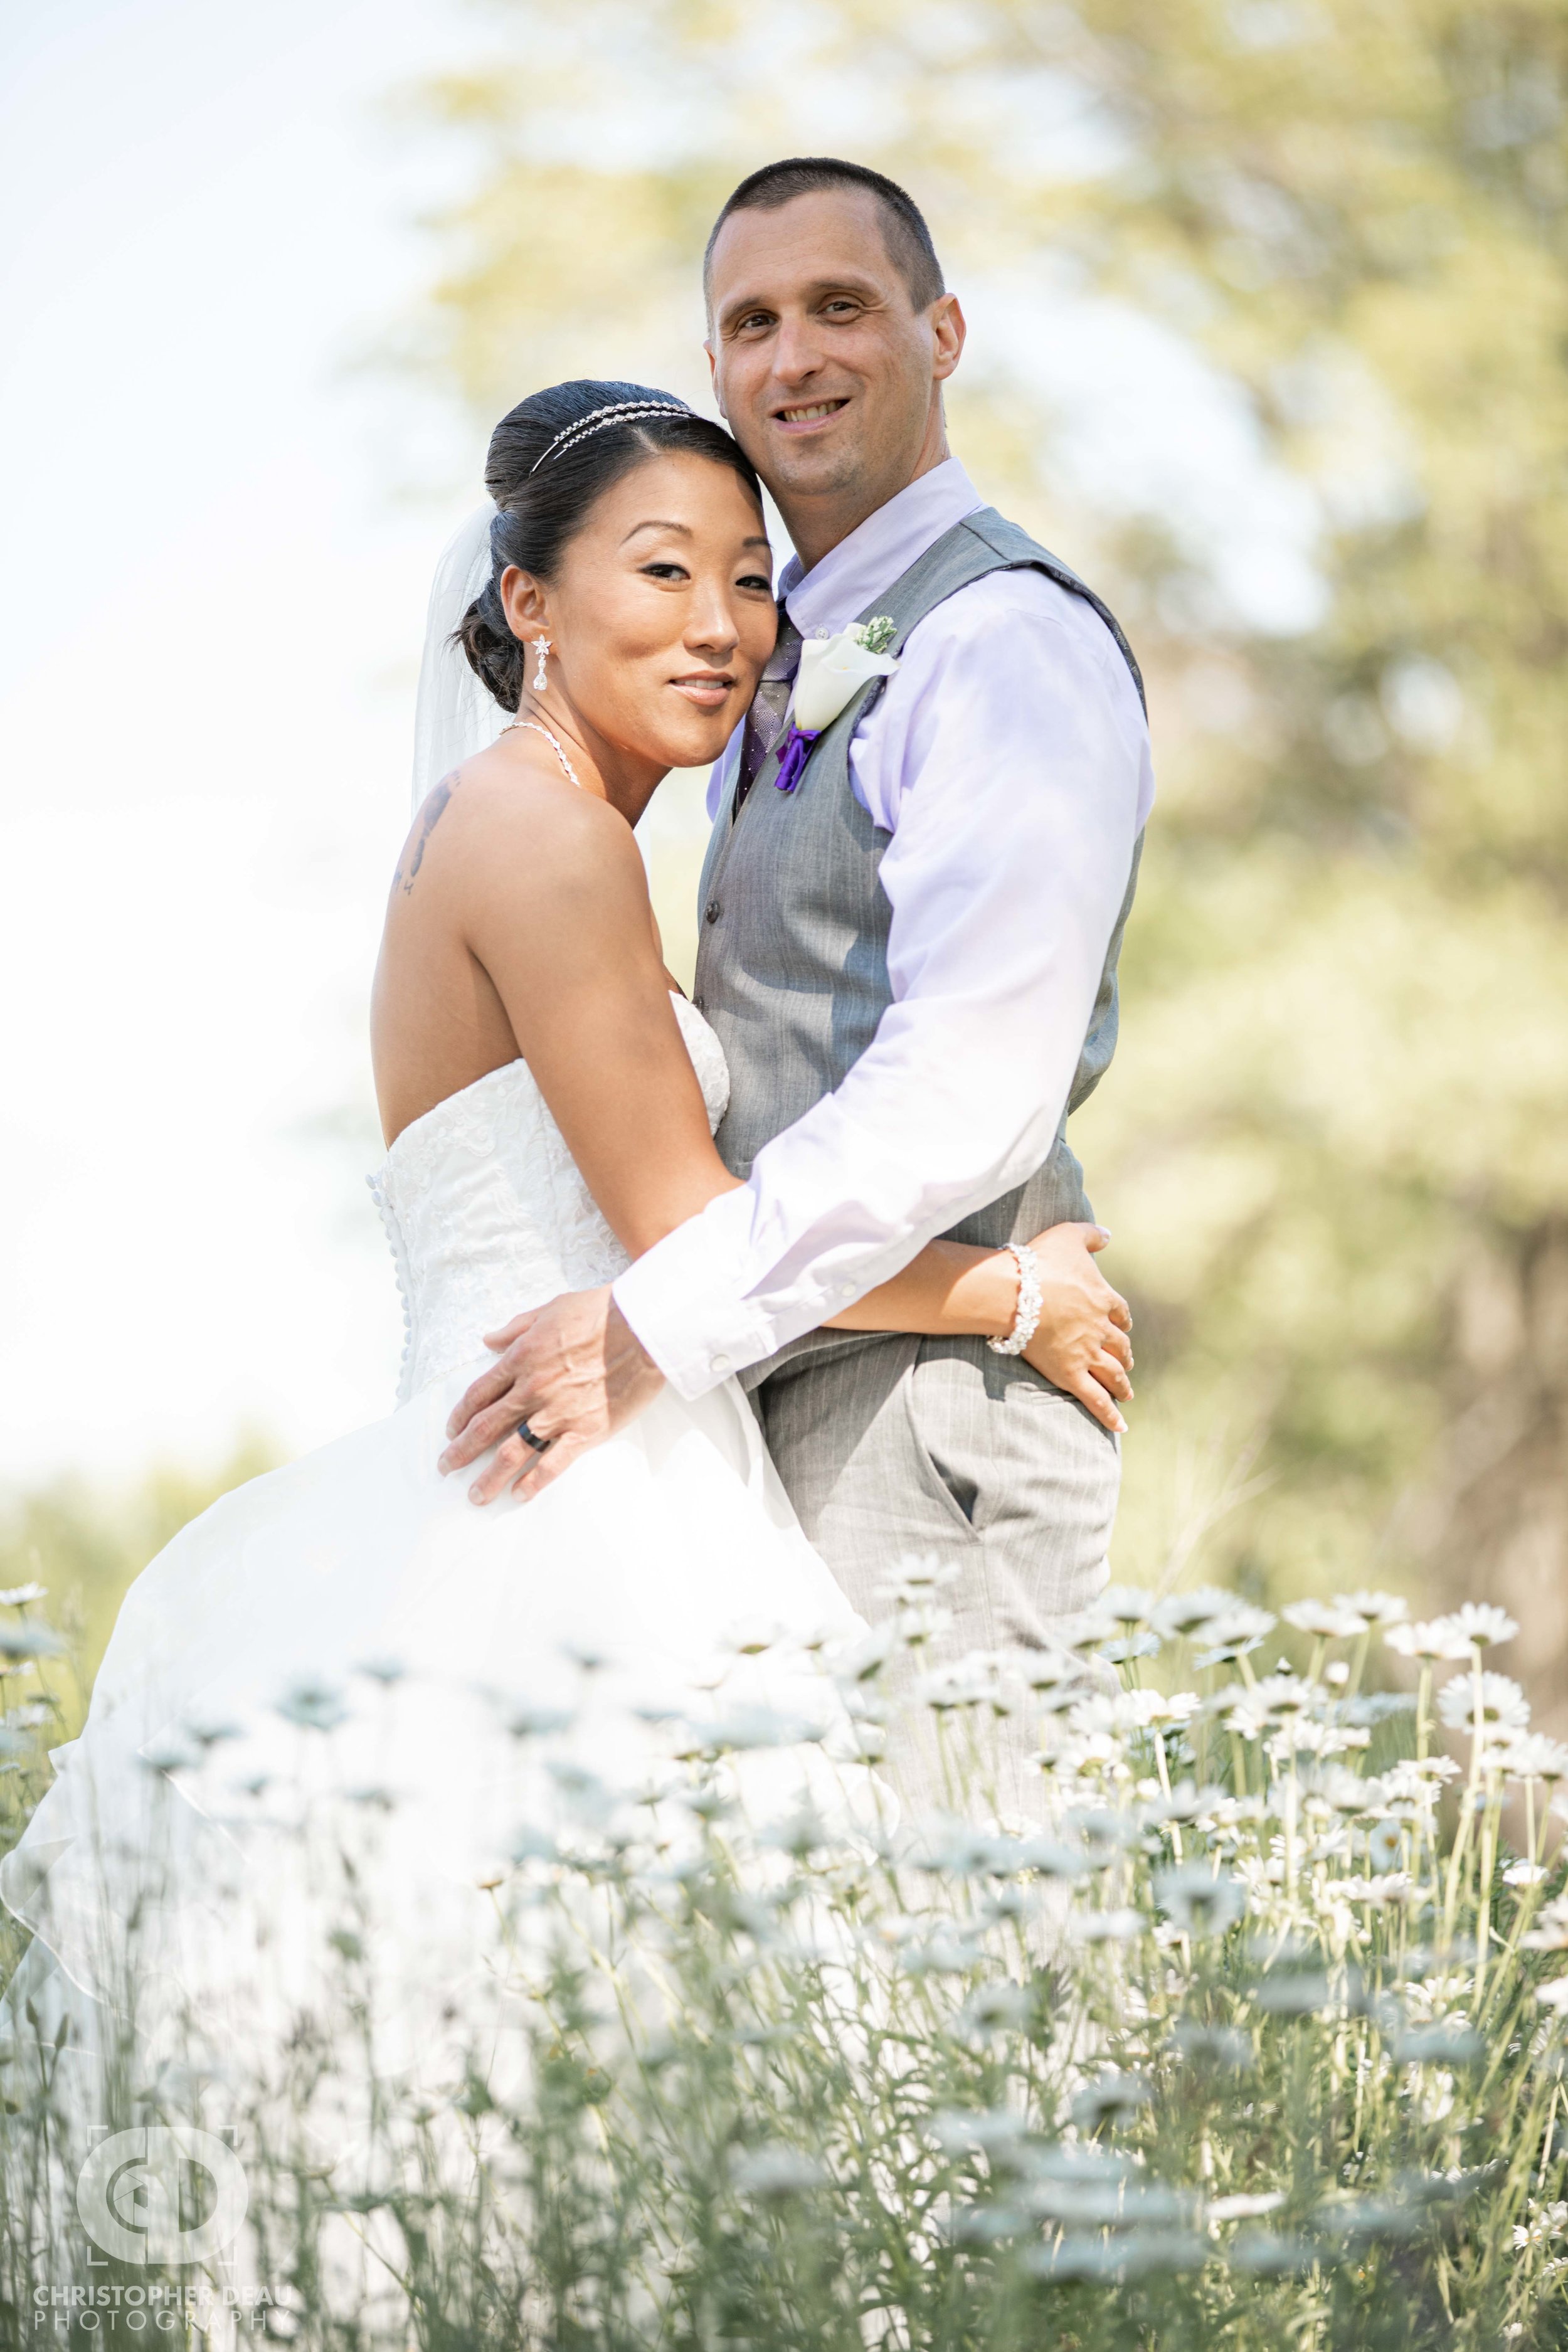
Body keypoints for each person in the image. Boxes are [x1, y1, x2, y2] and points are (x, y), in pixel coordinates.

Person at [0, 379, 1133, 2087]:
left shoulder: (505, 826)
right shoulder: (544, 840)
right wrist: (1008, 1293)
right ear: (526, 599)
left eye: (749, 580)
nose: (722, 627)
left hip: (551, 1446)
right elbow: (682, 1225)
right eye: (661, 573)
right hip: (574, 1500)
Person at [441, 159, 1153, 1804]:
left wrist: (656, 1325)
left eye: (838, 306)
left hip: (932, 1413)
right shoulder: (767, 668)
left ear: (939, 330)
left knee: (956, 1977)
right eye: (748, 323)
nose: (791, 358)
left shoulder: (998, 643)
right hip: (776, 1392)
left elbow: (968, 1089)